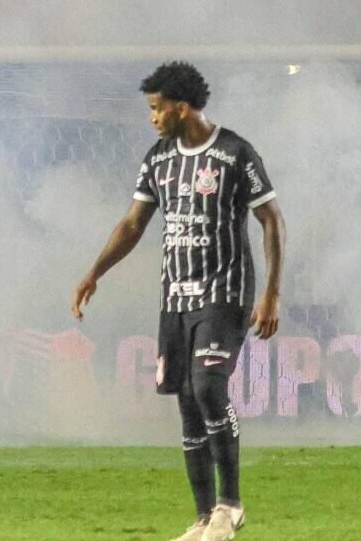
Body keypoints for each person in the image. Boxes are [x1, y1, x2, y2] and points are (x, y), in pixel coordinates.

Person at [71, 63, 284, 541]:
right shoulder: (158, 160)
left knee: (209, 386)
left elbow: (271, 218)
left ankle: (231, 504)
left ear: (180, 107)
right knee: (187, 401)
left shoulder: (234, 153)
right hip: (175, 298)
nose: (152, 118)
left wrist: (271, 291)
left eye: (155, 108)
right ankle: (205, 516)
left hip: (225, 294)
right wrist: (94, 273)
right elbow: (131, 226)